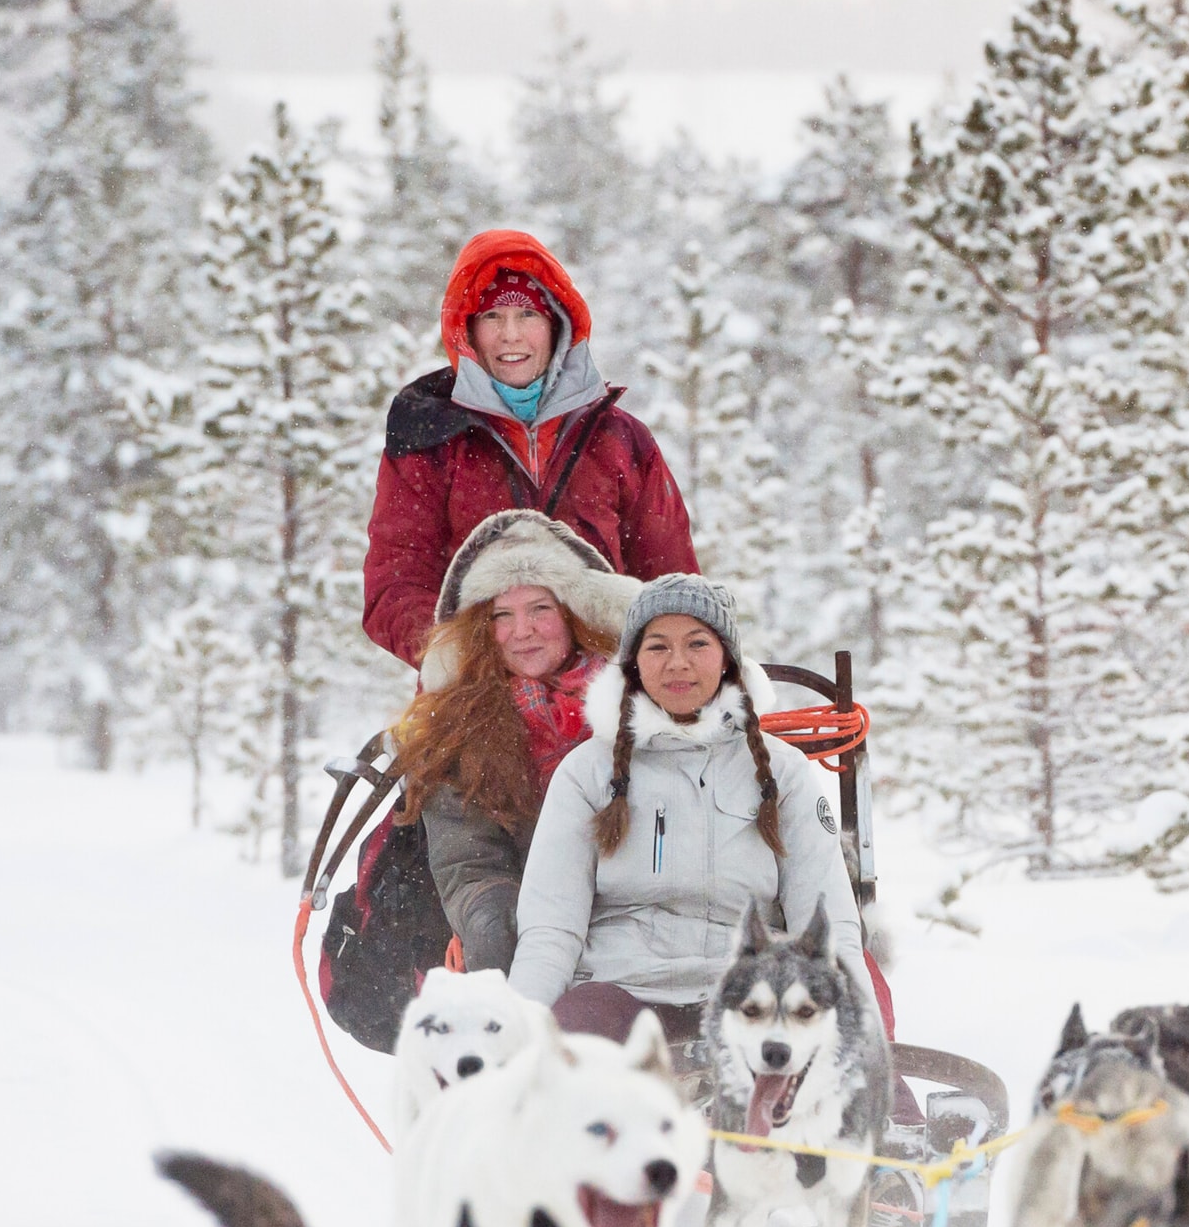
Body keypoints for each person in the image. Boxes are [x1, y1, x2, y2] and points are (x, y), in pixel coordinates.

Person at [508, 575, 867, 1048]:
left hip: (750, 996)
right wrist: (512, 1039)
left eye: (697, 643)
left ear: (727, 659)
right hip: (618, 991)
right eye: (657, 647)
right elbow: (551, 930)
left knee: (829, 1074)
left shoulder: (784, 771)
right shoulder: (586, 772)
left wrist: (866, 1045)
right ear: (635, 664)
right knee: (565, 1063)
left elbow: (826, 924)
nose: (678, 663)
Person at [362, 229, 699, 670]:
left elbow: (670, 581)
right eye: (492, 317)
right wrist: (461, 655)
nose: (510, 336)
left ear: (557, 323)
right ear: (467, 331)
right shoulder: (431, 439)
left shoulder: (620, 439)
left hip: (609, 691)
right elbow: (395, 581)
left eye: (527, 316)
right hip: (478, 694)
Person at [383, 512, 638, 973]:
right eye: (503, 615)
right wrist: (493, 919)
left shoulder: (639, 703)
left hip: (641, 923)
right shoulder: (459, 728)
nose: (522, 631)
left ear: (573, 613)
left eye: (540, 608)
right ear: (483, 629)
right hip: (532, 938)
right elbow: (468, 861)